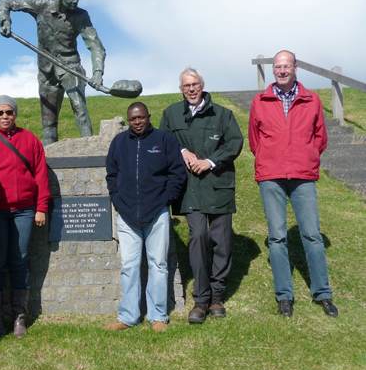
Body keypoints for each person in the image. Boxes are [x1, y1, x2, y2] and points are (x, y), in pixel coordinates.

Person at [249, 50, 338, 318]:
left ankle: (322, 293)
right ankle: (284, 296)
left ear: (295, 67)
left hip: (303, 175)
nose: (282, 70)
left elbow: (320, 138)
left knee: (311, 235)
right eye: (278, 66)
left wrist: (305, 156)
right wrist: (270, 157)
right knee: (277, 237)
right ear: (273, 69)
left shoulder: (311, 100)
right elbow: (255, 140)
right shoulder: (260, 100)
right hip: (271, 176)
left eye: (286, 66)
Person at [160, 68, 243, 324]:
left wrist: (209, 161)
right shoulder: (171, 114)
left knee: (222, 241)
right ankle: (201, 299)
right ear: (181, 89)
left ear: (202, 85)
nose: (192, 89)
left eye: (195, 84)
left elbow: (234, 143)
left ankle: (217, 296)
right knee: (198, 237)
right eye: (186, 86)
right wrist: (182, 150)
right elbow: (162, 140)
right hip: (191, 189)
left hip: (218, 186)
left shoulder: (223, 114)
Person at [104, 102, 186, 332]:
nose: (137, 122)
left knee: (158, 265)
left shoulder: (164, 140)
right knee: (129, 266)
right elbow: (111, 174)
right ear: (128, 121)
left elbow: (177, 173)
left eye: (141, 118)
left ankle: (158, 315)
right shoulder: (119, 142)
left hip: (157, 213)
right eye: (133, 119)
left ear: (149, 117)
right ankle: (128, 316)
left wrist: (165, 199)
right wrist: (118, 200)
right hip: (127, 214)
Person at [0, 95, 50, 338]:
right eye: (0, 112)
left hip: (25, 210)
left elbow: (40, 174)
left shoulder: (30, 139)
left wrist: (41, 207)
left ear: (15, 114)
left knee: (20, 259)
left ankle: (19, 315)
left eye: (9, 112)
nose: (5, 116)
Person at [0, 0, 106, 144]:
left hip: (70, 66)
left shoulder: (81, 16)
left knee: (80, 109)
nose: (75, 1)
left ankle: (90, 147)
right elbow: (5, 2)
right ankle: (48, 157)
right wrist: (5, 20)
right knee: (48, 120)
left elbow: (96, 46)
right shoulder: (40, 5)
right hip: (46, 70)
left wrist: (97, 73)